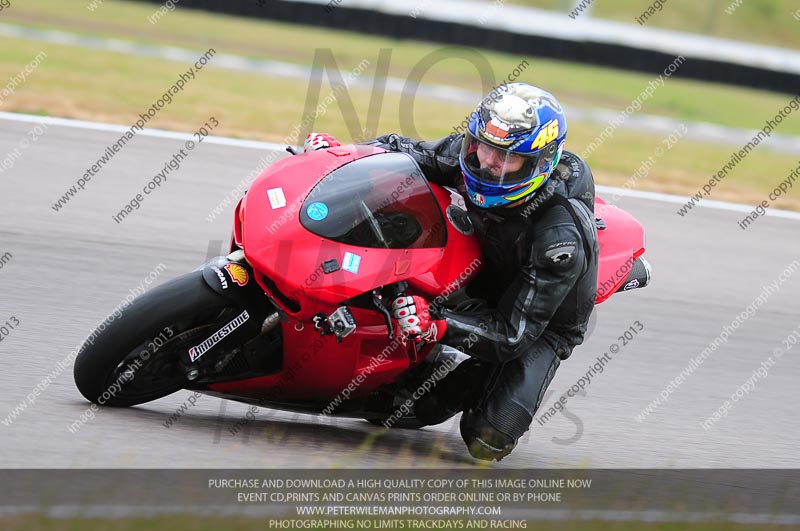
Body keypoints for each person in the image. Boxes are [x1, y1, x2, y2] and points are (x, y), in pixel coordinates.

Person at [303, 82, 598, 462]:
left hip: (535, 321)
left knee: (483, 438)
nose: (487, 163)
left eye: (504, 158)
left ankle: (444, 369)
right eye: (483, 147)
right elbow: (402, 151)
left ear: (538, 165)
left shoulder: (558, 240)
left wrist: (438, 324)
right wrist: (343, 155)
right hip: (480, 262)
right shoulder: (472, 157)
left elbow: (512, 334)